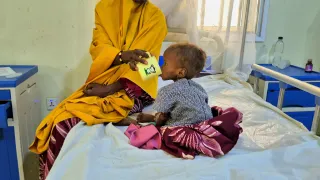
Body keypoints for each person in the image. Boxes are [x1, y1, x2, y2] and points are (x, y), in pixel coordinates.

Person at [29, 0, 167, 179]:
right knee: (56, 119)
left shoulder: (155, 17)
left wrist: (108, 89)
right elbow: (98, 47)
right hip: (105, 77)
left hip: (137, 88)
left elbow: (148, 65)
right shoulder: (105, 7)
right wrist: (121, 56)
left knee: (65, 124)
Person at [137, 43, 213, 126]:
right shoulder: (199, 88)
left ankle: (152, 119)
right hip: (206, 125)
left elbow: (161, 120)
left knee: (147, 129)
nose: (161, 66)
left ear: (181, 72)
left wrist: (157, 122)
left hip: (183, 130)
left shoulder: (166, 91)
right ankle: (153, 118)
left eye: (165, 63)